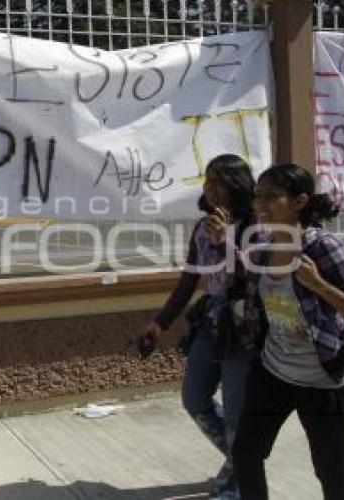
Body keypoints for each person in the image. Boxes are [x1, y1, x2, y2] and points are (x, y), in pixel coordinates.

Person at [231, 163, 344, 500]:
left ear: (300, 201)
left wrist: (319, 285)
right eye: (258, 197)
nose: (262, 205)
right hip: (272, 372)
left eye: (272, 197)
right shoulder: (264, 245)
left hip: (320, 381)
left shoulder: (323, 247)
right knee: (246, 452)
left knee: (331, 471)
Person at [138, 153, 257, 499]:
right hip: (212, 322)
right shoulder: (202, 228)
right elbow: (190, 278)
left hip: (244, 327)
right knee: (195, 399)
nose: (211, 189)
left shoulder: (257, 226)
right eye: (207, 181)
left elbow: (259, 277)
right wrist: (160, 323)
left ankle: (235, 483)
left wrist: (226, 242)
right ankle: (243, 460)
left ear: (236, 185)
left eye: (218, 181)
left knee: (236, 411)